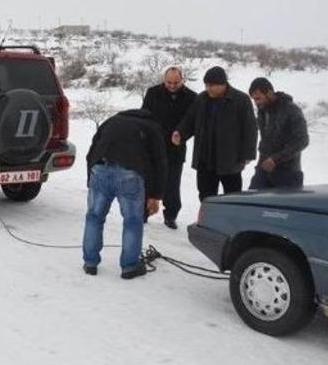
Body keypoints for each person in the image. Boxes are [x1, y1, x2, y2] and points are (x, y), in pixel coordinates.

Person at [84, 109, 167, 279]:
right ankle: (129, 266)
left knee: (94, 217)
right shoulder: (152, 126)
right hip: (130, 174)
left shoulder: (112, 120)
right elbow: (160, 162)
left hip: (100, 169)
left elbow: (92, 149)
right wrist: (155, 195)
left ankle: (90, 263)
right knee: (133, 221)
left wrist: (90, 177)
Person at [172, 66, 257, 201]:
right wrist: (180, 133)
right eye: (206, 85)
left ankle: (230, 222)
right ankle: (208, 221)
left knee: (232, 197)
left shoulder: (241, 100)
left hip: (230, 160)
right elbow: (190, 119)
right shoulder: (201, 99)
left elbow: (250, 129)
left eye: (212, 85)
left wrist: (248, 154)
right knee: (206, 196)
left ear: (223, 84)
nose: (208, 88)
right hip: (205, 159)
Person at [142, 66, 197, 229]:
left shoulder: (191, 97)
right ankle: (143, 212)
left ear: (182, 80)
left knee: (172, 184)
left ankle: (171, 215)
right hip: (154, 145)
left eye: (176, 82)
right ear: (164, 80)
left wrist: (182, 134)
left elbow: (193, 122)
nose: (172, 85)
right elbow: (144, 115)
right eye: (169, 82)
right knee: (148, 180)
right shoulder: (153, 93)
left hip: (176, 147)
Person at [248, 78, 309, 189]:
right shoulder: (262, 110)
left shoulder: (291, 110)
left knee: (283, 206)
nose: (256, 102)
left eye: (258, 98)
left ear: (270, 93)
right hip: (263, 170)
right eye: (254, 99)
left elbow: (302, 140)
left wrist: (276, 159)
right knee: (252, 203)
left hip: (287, 173)